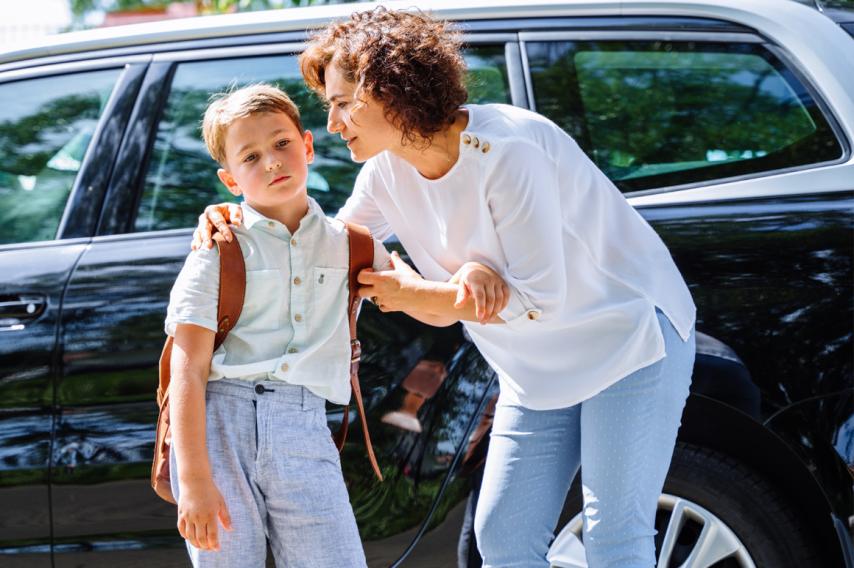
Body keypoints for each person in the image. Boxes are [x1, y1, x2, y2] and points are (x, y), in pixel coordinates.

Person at [194, 8, 697, 567]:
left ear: (392, 90)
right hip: (537, 370)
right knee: (505, 539)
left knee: (614, 538)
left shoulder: (509, 152)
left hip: (629, 339)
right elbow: (321, 245)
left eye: (342, 103)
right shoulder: (385, 174)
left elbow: (538, 300)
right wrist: (236, 214)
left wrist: (419, 292)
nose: (333, 124)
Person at [166, 83, 401, 568]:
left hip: (305, 424)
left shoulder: (351, 244)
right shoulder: (219, 247)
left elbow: (417, 294)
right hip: (221, 425)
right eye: (250, 157)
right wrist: (192, 480)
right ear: (230, 180)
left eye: (281, 144)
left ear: (308, 145)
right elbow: (187, 369)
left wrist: (473, 277)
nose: (272, 162)